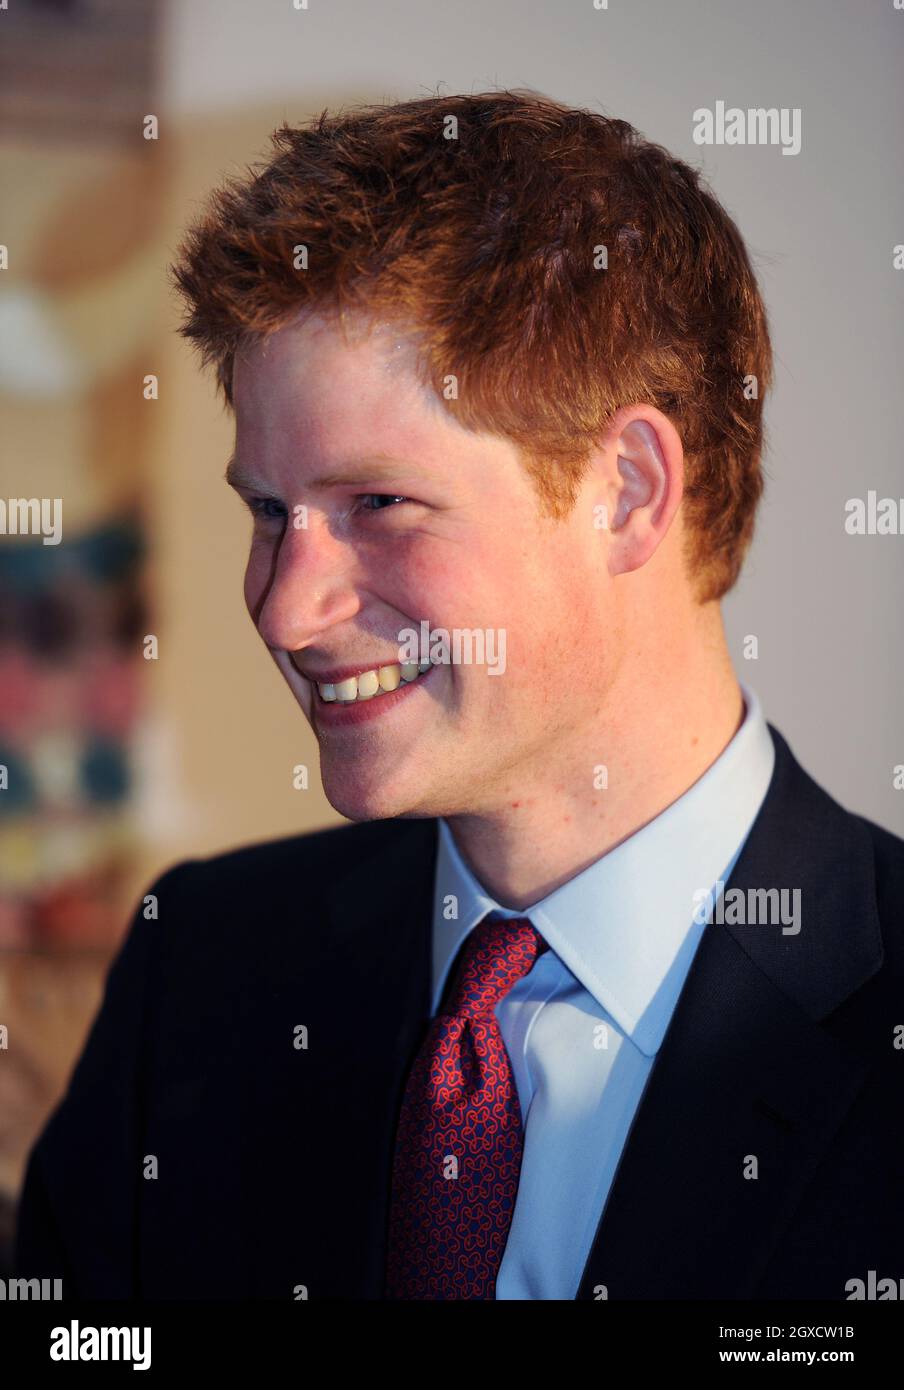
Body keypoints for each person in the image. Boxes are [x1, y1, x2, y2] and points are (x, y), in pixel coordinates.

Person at [15, 89, 903, 1301]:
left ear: (629, 491)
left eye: (377, 505)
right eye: (270, 512)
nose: (282, 609)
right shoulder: (206, 974)